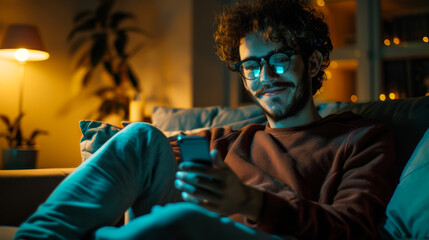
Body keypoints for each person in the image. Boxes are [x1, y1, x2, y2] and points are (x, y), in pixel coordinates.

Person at [14, 0, 397, 239]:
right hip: (192, 220)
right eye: (252, 66)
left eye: (278, 60)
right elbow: (140, 161)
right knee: (144, 136)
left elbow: (355, 228)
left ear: (312, 63)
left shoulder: (361, 138)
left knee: (179, 221)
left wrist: (251, 202)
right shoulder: (222, 140)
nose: (265, 77)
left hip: (269, 233)